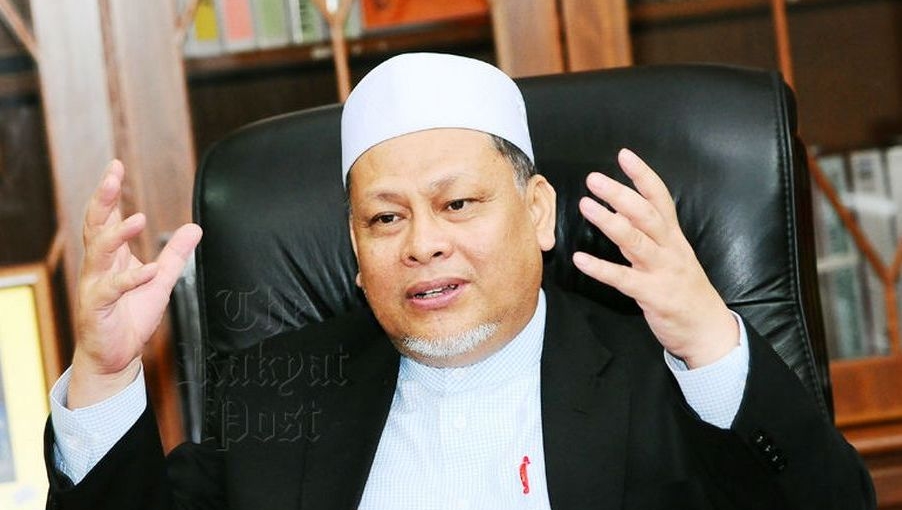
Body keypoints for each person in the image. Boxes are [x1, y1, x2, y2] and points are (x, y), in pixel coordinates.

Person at [44, 53, 874, 509]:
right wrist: (107, 374)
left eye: (458, 204)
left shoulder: (659, 380)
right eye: (386, 218)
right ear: (355, 247)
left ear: (539, 213)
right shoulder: (279, 396)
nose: (423, 245)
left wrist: (711, 346)